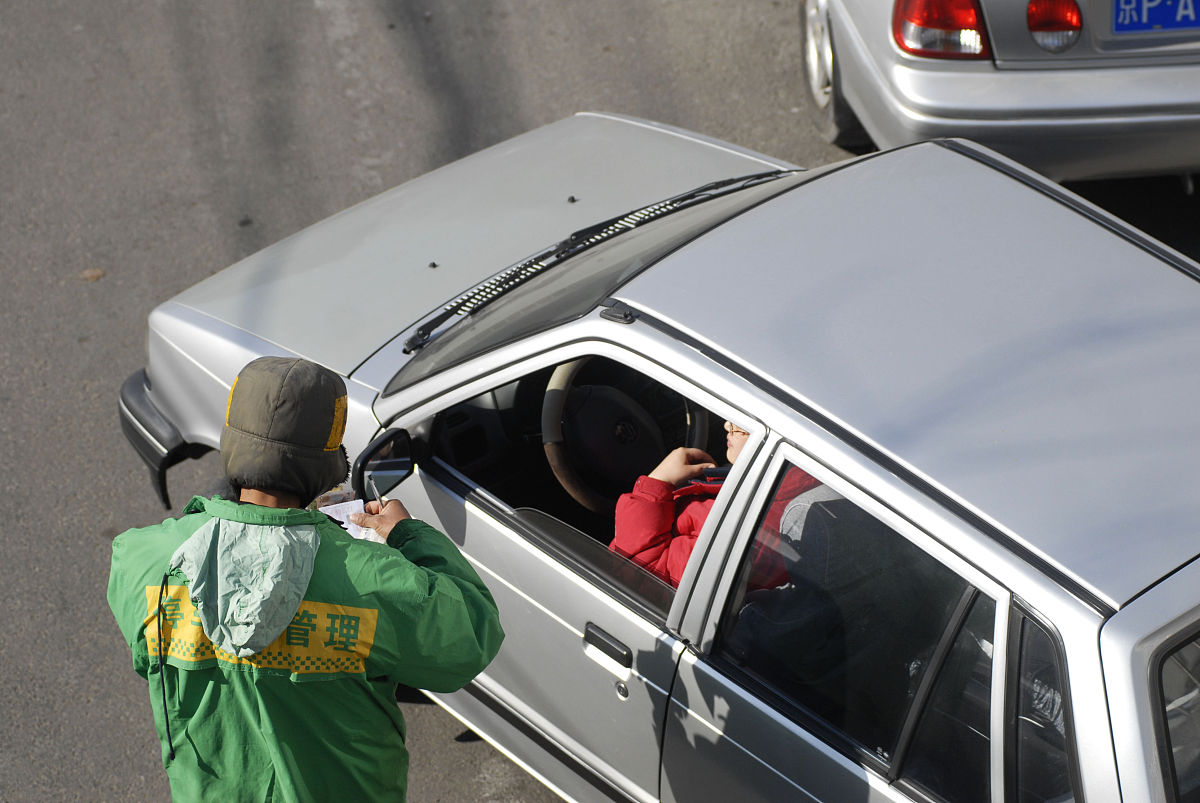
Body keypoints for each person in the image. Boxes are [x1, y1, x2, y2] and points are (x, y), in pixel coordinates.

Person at [107, 356, 504, 802]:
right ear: (325, 462)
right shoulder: (370, 580)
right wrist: (406, 534)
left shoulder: (140, 560)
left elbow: (151, 657)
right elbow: (470, 637)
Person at [610, 420, 819, 587]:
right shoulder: (776, 491)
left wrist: (657, 484)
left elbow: (634, 576)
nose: (728, 425)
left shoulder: (756, 530)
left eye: (744, 422)